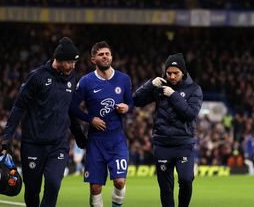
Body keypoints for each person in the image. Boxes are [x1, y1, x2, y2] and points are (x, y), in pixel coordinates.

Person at [1, 37, 86, 207]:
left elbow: (68, 109)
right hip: (33, 144)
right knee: (32, 191)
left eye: (74, 63)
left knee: (54, 184)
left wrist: (78, 135)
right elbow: (19, 106)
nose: (72, 66)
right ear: (58, 59)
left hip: (58, 145)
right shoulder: (37, 77)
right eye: (69, 62)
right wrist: (7, 137)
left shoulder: (71, 78)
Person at [133, 53, 203, 207]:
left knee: (185, 180)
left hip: (184, 144)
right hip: (162, 144)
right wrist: (150, 84)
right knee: (165, 187)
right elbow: (136, 101)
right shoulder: (159, 87)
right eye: (168, 73)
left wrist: (173, 95)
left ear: (183, 72)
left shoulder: (194, 89)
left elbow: (190, 114)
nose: (171, 76)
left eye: (175, 73)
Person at [70, 41, 133, 207]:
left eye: (107, 54)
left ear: (111, 56)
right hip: (95, 141)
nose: (105, 56)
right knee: (95, 187)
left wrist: (127, 107)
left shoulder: (124, 79)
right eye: (101, 54)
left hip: (117, 139)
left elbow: (131, 103)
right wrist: (90, 119)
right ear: (93, 60)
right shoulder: (86, 82)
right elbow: (72, 107)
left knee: (120, 182)